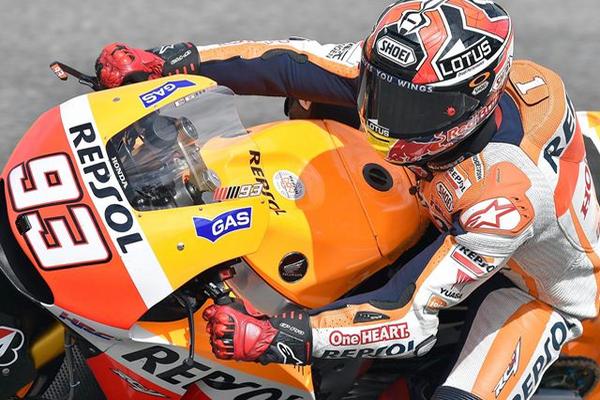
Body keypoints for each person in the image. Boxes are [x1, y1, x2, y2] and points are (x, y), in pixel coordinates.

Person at [95, 1, 600, 398]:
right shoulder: (421, 78)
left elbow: (410, 313)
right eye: (381, 91)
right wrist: (176, 60)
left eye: (408, 107)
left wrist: (285, 337)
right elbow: (295, 61)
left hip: (529, 287)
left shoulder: (505, 202)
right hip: (437, 191)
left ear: (474, 100)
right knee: (313, 94)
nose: (382, 116)